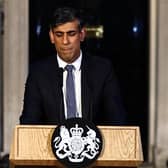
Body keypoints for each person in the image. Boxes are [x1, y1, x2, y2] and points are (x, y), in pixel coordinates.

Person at [20, 7, 126, 125]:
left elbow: (118, 120)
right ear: (51, 36)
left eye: (71, 34)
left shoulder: (103, 69)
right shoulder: (38, 73)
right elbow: (28, 123)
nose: (65, 41)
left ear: (82, 34)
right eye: (59, 34)